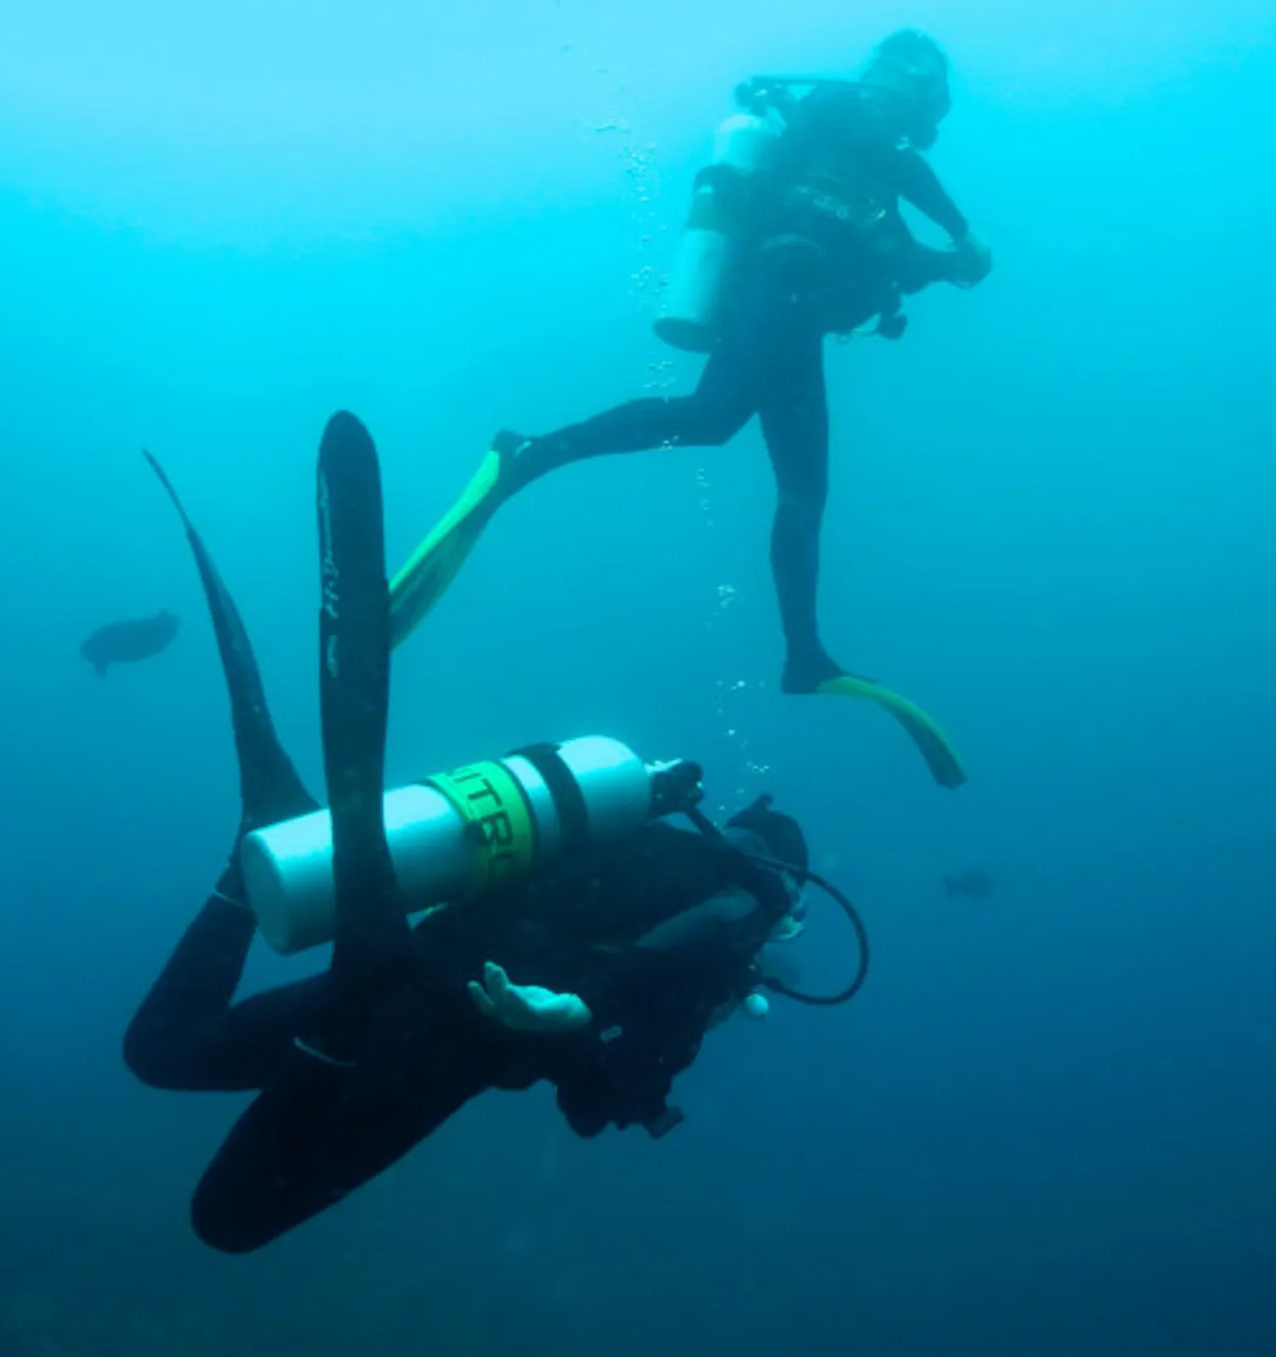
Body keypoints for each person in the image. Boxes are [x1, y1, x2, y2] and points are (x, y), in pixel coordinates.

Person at [122, 428, 812, 1254]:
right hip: (448, 1042)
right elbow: (600, 1092)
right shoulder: (746, 899)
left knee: (159, 1052)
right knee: (229, 1217)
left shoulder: (635, 824)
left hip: (414, 958)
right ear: (789, 886)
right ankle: (340, 1012)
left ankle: (248, 871)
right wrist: (597, 1020)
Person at [388, 30, 992, 789]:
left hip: (797, 321)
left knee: (803, 491)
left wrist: (950, 262)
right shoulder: (834, 115)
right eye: (894, 82)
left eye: (909, 88)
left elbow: (899, 255)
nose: (893, 96)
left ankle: (803, 653)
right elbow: (901, 176)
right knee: (711, 417)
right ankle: (528, 453)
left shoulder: (878, 175)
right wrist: (965, 235)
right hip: (776, 285)